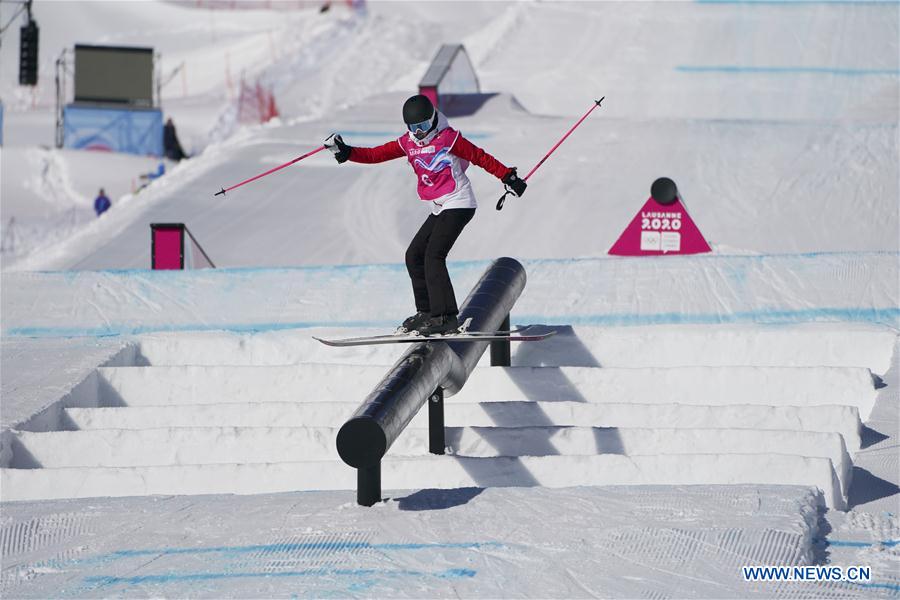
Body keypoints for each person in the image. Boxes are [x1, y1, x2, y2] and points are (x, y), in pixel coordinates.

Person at [324, 94, 527, 336]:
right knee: (414, 254)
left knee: (433, 255)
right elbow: (376, 154)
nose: (418, 133)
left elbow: (479, 156)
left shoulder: (448, 139)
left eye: (421, 126)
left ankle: (446, 317)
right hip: (440, 206)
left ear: (432, 120)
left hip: (459, 202)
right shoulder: (408, 142)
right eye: (413, 127)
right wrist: (346, 152)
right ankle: (426, 313)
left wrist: (508, 177)